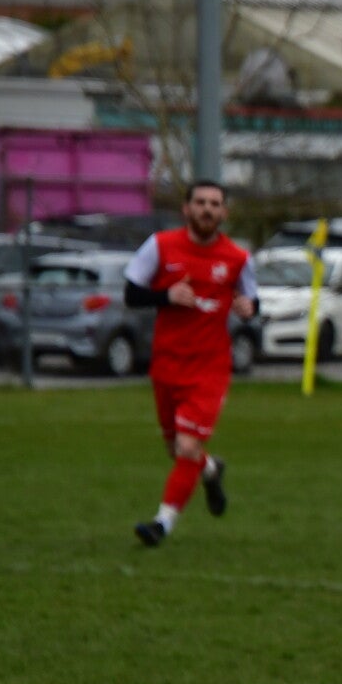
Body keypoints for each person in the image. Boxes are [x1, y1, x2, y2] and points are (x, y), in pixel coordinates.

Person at [123, 180, 257, 546]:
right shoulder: (160, 245)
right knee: (178, 450)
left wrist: (248, 308)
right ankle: (210, 471)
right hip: (167, 364)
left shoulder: (238, 258)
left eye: (214, 204)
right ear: (186, 209)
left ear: (224, 212)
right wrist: (165, 296)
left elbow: (252, 300)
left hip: (210, 368)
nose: (207, 209)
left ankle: (161, 524)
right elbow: (131, 293)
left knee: (186, 447)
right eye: (200, 202)